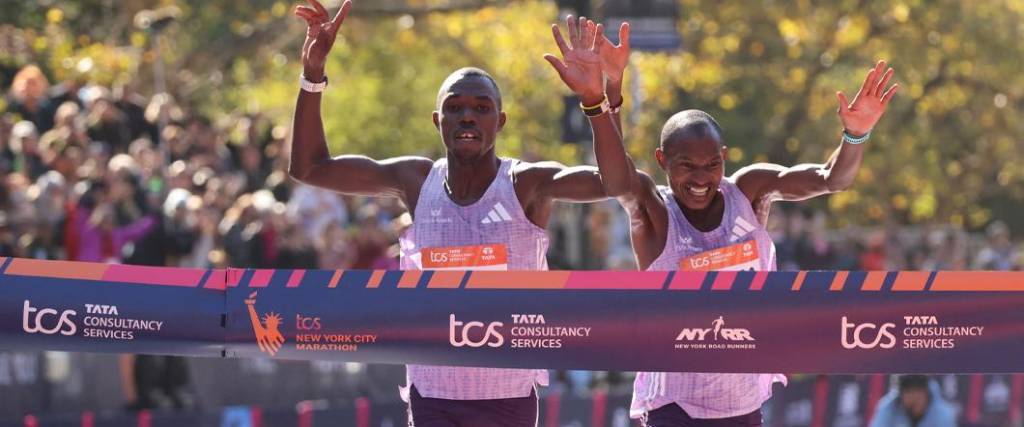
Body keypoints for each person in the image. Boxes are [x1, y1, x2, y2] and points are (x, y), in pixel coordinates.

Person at [288, 2, 623, 425]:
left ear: (500, 121)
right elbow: (309, 168)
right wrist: (313, 74)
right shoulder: (415, 181)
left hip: (507, 397)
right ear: (437, 120)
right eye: (455, 107)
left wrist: (597, 99)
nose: (467, 116)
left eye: (481, 108)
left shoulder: (526, 184)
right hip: (433, 395)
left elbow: (614, 183)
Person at [592, 44, 899, 425]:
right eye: (686, 165)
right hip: (674, 408)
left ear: (724, 156)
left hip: (743, 406)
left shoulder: (750, 192)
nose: (701, 178)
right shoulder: (654, 213)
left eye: (712, 164)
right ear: (662, 160)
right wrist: (605, 95)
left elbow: (831, 179)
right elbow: (616, 180)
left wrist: (855, 134)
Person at [868, 375, 956, 427]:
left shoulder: (943, 414)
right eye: (909, 392)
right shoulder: (888, 408)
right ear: (901, 395)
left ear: (926, 393)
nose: (914, 399)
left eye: (918, 392)